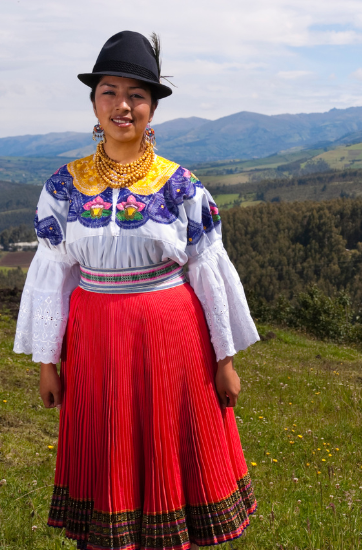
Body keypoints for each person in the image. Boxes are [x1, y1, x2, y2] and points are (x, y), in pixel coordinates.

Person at [13, 30, 259, 549]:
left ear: (152, 108)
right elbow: (53, 278)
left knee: (170, 444)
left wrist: (225, 359)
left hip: (172, 341)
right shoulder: (63, 187)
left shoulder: (182, 187)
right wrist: (46, 363)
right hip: (96, 341)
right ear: (94, 102)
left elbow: (208, 274)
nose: (122, 106)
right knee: (109, 445)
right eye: (110, 92)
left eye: (137, 95)